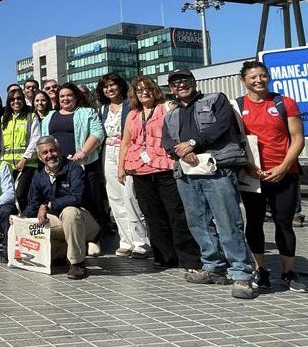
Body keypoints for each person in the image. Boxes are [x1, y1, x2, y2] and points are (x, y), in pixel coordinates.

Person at [161, 68, 257, 300]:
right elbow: (166, 141)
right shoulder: (171, 113)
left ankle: (242, 274)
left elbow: (223, 126)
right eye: (175, 83)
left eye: (184, 80)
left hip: (217, 168)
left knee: (227, 220)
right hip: (187, 171)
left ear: (193, 81)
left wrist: (193, 143)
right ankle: (213, 266)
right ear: (171, 89)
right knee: (198, 221)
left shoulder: (215, 99)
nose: (180, 85)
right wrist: (183, 153)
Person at [235, 61, 308, 292]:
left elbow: (297, 138)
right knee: (254, 223)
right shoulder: (236, 106)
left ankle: (288, 272)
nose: (259, 80)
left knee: (284, 222)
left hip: (284, 173)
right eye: (253, 77)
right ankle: (262, 270)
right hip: (252, 174)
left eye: (263, 76)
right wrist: (247, 166)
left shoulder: (284, 103)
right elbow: (235, 141)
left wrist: (284, 166)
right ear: (244, 80)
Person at [118, 76, 200, 271]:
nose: (144, 93)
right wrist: (121, 167)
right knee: (152, 215)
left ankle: (188, 258)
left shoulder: (166, 107)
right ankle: (163, 256)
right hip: (139, 169)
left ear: (154, 90)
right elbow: (126, 142)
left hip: (165, 167)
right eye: (139, 90)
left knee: (176, 213)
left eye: (147, 89)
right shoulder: (132, 114)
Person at [41, 82, 105, 256]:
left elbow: (98, 133)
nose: (65, 99)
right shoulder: (49, 116)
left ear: (76, 97)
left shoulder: (87, 112)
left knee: (89, 202)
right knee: (65, 205)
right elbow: (43, 140)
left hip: (84, 166)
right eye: (62, 96)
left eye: (69, 95)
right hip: (57, 169)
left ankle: (93, 238)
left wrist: (84, 151)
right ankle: (72, 239)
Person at [22, 136, 101, 279]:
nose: (50, 155)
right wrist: (20, 219)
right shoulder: (38, 175)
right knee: (35, 221)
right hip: (58, 220)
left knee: (70, 212)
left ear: (59, 151)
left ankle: (77, 263)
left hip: (83, 220)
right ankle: (61, 251)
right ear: (39, 157)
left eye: (52, 150)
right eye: (45, 153)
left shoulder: (73, 168)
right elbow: (33, 204)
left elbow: (77, 197)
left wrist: (48, 205)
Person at [96, 73, 149, 259]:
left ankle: (141, 241)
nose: (109, 89)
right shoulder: (102, 109)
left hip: (127, 151)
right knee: (115, 198)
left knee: (131, 197)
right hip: (108, 153)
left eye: (113, 85)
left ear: (120, 86)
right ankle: (125, 240)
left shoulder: (130, 105)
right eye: (106, 87)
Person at [0, 90, 41, 213]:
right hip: (8, 165)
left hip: (27, 164)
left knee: (20, 196)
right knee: (8, 197)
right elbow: (2, 143)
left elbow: (35, 138)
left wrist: (25, 158)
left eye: (19, 98)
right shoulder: (4, 119)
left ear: (23, 100)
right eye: (12, 99)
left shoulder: (31, 116)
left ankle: (25, 221)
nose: (16, 101)